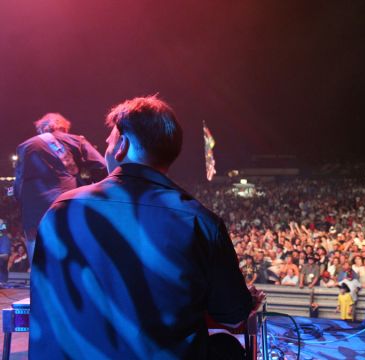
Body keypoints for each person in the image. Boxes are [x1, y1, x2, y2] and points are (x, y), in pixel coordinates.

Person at [30, 96, 261, 359]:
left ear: (122, 146)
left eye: (107, 143)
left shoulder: (61, 208)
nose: (104, 150)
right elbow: (233, 318)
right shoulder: (199, 221)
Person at [14, 113, 107, 263]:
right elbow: (101, 166)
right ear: (64, 128)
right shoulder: (76, 140)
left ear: (41, 130)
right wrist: (91, 188)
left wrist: (24, 208)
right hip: (66, 203)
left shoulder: (24, 147)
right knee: (71, 257)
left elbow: (18, 184)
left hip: (33, 211)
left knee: (38, 262)